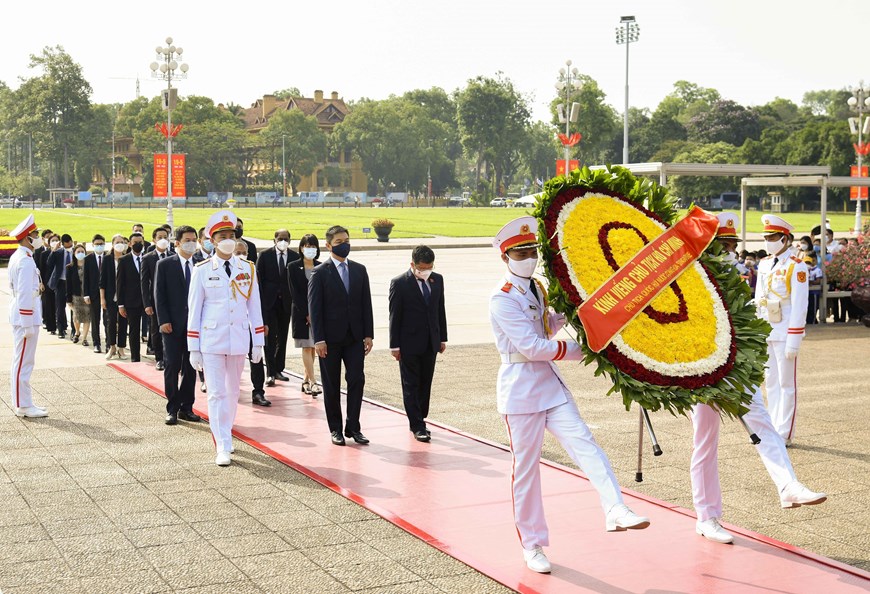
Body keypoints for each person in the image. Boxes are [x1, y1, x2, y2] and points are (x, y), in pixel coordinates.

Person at [489, 216, 649, 574]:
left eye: (532, 250)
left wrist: (575, 313)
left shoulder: (538, 287)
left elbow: (544, 325)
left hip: (549, 386)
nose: (529, 256)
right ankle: (532, 544)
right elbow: (530, 346)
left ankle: (615, 508)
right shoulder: (501, 298)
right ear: (505, 257)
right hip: (520, 391)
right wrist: (583, 349)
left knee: (586, 445)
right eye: (521, 252)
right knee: (526, 470)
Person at [691, 214, 825, 545]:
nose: (727, 251)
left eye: (730, 245)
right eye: (722, 245)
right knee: (705, 443)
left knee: (762, 424)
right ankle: (706, 516)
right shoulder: (692, 278)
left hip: (737, 367)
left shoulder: (733, 278)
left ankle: (787, 486)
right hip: (703, 372)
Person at [187, 210, 266, 466]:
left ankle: (227, 433)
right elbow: (194, 310)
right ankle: (222, 444)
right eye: (222, 236)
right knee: (216, 393)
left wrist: (259, 342)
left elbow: (255, 307)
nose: (228, 240)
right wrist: (193, 347)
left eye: (231, 235)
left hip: (238, 338)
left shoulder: (248, 268)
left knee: (232, 393)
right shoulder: (201, 270)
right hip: (211, 340)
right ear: (212, 240)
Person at [308, 225, 374, 446]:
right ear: (328, 246)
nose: (344, 244)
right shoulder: (319, 273)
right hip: (330, 340)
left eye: (346, 240)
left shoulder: (359, 270)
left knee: (357, 379)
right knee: (331, 384)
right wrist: (318, 339)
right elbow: (315, 309)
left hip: (355, 337)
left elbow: (366, 303)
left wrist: (368, 334)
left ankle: (353, 427)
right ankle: (335, 429)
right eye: (338, 242)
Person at [756, 214, 808, 444]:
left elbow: (799, 305)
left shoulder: (797, 266)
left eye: (773, 236)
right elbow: (759, 299)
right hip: (767, 331)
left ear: (785, 239)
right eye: (767, 237)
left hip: (785, 332)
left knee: (787, 384)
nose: (769, 240)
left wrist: (794, 340)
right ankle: (771, 427)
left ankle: (784, 432)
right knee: (771, 382)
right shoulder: (765, 263)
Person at [388, 245, 448, 442]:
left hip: (431, 341)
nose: (426, 271)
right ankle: (417, 425)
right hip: (409, 343)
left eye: (429, 267)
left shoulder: (437, 279)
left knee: (425, 382)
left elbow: (440, 310)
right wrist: (394, 345)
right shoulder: (400, 283)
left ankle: (420, 416)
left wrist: (442, 338)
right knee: (411, 384)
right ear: (412, 264)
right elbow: (394, 316)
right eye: (422, 267)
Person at [155, 225, 202, 426]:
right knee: (172, 365)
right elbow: (159, 295)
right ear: (178, 243)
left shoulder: (201, 263)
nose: (191, 244)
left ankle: (186, 407)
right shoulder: (165, 265)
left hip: (195, 326)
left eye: (194, 240)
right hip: (172, 325)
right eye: (187, 240)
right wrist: (163, 320)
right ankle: (172, 408)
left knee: (192, 366)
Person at [8, 214, 48, 417]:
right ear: (27, 237)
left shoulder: (23, 257)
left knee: (24, 361)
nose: (38, 237)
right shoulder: (24, 261)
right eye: (35, 234)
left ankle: (24, 402)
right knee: (23, 361)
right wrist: (26, 323)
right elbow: (24, 292)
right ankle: (23, 405)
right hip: (25, 316)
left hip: (26, 314)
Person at [257, 229, 298, 386]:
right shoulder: (265, 255)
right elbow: (259, 278)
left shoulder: (294, 257)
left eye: (286, 239)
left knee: (282, 336)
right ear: (274, 239)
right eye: (280, 238)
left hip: (286, 303)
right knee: (270, 337)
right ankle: (270, 372)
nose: (283, 241)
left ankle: (279, 369)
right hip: (269, 302)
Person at [234, 239, 270, 407]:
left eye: (244, 253)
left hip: (251, 324)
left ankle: (258, 391)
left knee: (256, 359)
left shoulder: (251, 269)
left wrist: (264, 323)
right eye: (237, 253)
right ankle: (232, 391)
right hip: (233, 325)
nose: (241, 256)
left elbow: (259, 299)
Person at [287, 234, 322, 396]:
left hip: (317, 313)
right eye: (307, 246)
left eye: (313, 246)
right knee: (306, 347)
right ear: (301, 248)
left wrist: (315, 313)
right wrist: (307, 314)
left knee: (314, 347)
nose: (310, 249)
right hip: (302, 313)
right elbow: (295, 293)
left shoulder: (321, 266)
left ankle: (306, 381)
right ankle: (314, 382)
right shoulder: (293, 266)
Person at [142, 227, 172, 370]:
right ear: (154, 240)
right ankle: (159, 358)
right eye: (159, 237)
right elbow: (144, 282)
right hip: (155, 300)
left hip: (172, 299)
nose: (163, 239)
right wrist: (147, 303)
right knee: (156, 329)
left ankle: (170, 357)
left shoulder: (173, 256)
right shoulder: (148, 258)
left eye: (165, 236)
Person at [116, 233, 146, 362]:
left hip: (148, 301)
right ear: (129, 244)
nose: (138, 244)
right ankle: (135, 357)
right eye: (135, 242)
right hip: (131, 302)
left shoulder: (148, 258)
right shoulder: (124, 260)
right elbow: (120, 284)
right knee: (134, 330)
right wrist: (121, 304)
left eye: (140, 242)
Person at [101, 234, 129, 360]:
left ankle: (121, 348)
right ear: (112, 244)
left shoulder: (127, 259)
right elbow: (102, 281)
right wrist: (103, 298)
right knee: (111, 321)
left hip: (124, 297)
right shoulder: (107, 259)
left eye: (122, 242)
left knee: (123, 322)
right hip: (111, 297)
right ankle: (112, 346)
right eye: (117, 242)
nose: (119, 244)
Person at [83, 234, 107, 353]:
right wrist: (86, 294)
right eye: (97, 244)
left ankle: (109, 343)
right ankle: (96, 343)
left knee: (107, 319)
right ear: (93, 245)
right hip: (93, 294)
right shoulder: (88, 259)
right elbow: (85, 278)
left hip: (107, 294)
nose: (99, 246)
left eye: (101, 244)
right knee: (95, 319)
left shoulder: (108, 257)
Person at [47, 233, 74, 339]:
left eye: (70, 243)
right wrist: (53, 250)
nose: (68, 245)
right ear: (62, 244)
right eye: (66, 244)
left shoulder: (76, 252)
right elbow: (49, 263)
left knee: (73, 307)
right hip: (60, 282)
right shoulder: (58, 253)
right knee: (60, 307)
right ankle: (61, 329)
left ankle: (74, 330)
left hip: (72, 283)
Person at [65, 243, 90, 345]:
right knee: (76, 317)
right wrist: (68, 299)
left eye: (82, 252)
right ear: (74, 253)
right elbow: (68, 284)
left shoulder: (88, 266)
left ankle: (84, 338)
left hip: (87, 295)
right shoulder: (70, 267)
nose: (80, 253)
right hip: (76, 295)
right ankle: (77, 332)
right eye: (78, 252)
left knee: (87, 317)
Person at [38, 232, 59, 335]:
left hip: (59, 282)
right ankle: (51, 326)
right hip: (47, 282)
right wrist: (41, 283)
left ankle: (60, 325)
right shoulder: (44, 254)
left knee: (58, 305)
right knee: (49, 304)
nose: (54, 242)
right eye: (52, 241)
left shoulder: (61, 253)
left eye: (56, 240)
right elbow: (42, 269)